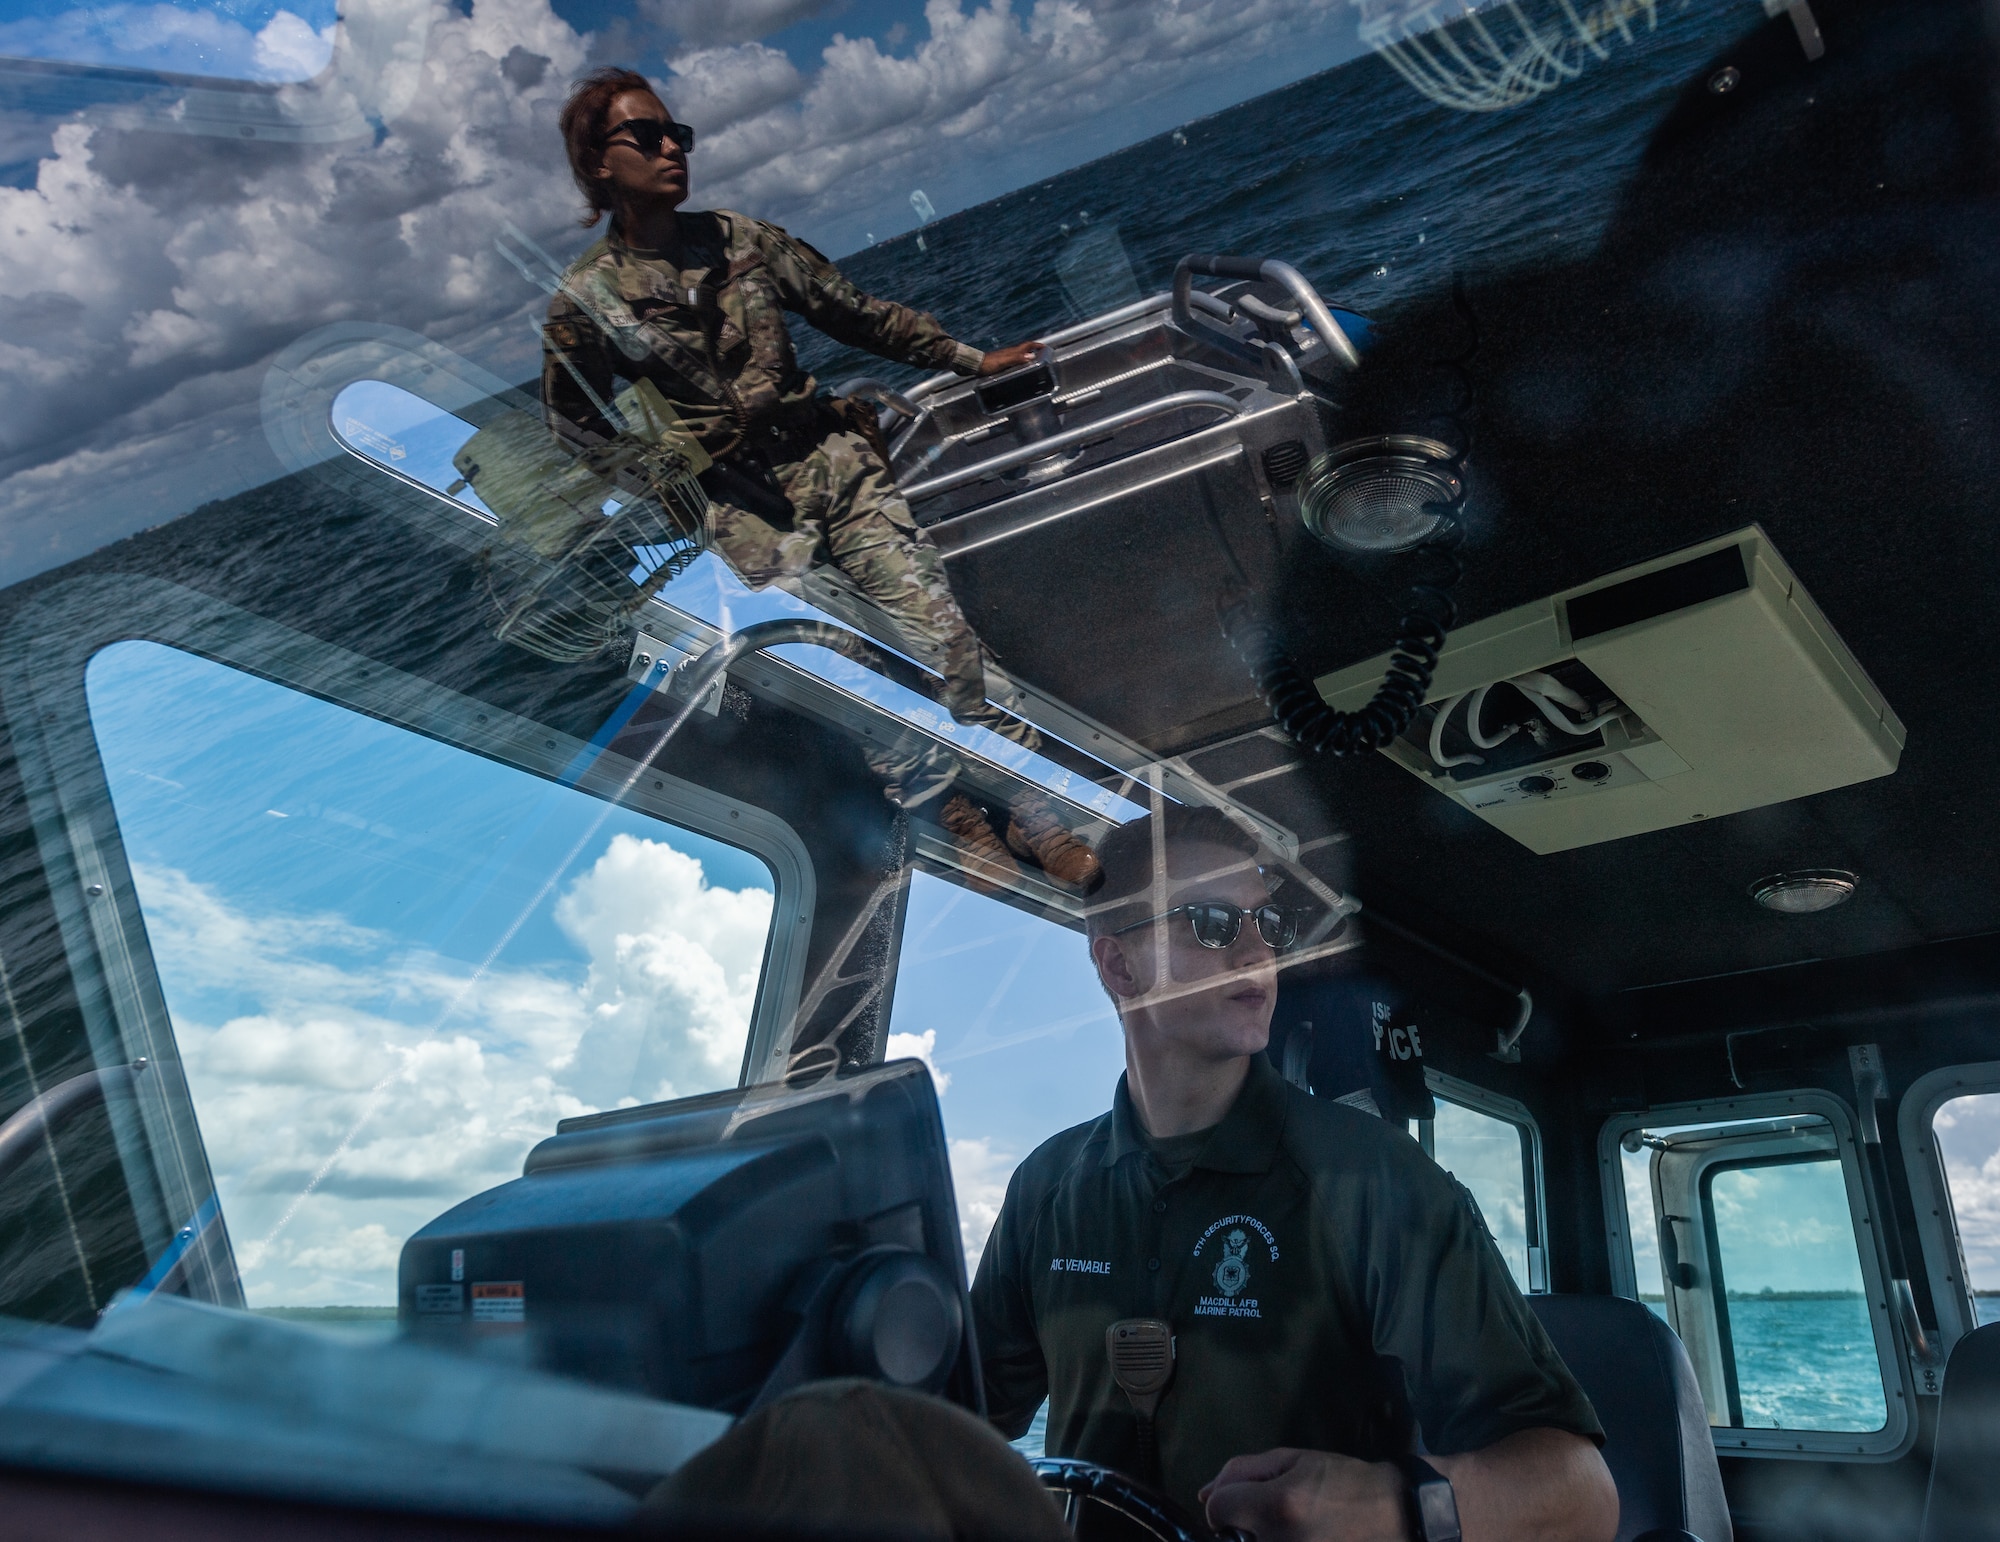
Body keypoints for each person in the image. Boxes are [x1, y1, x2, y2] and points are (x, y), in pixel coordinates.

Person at [969, 805, 1619, 1542]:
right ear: (1118, 965)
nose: (1256, 955)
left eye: (1267, 926)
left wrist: (1401, 1507)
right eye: (1211, 924)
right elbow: (955, 1427)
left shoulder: (1373, 1181)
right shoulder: (1046, 1188)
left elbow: (1581, 1494)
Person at [540, 66, 1094, 893]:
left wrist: (971, 359)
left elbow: (855, 312)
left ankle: (1033, 807)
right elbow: (575, 428)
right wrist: (670, 485)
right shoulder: (584, 300)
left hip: (835, 466)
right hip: (743, 514)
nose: (671, 148)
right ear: (596, 165)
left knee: (936, 629)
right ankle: (958, 820)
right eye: (645, 136)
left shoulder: (742, 241)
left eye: (676, 133)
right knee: (849, 673)